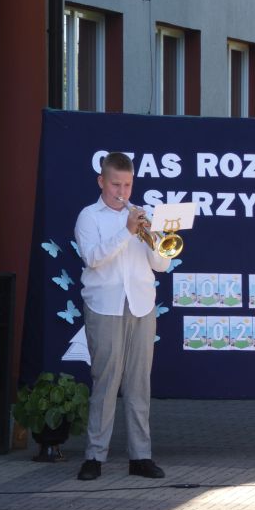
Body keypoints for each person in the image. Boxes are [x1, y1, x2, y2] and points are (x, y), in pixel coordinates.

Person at [74, 152, 170, 480]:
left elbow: (162, 265)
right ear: (101, 181)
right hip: (105, 306)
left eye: (127, 185)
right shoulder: (89, 217)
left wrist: (156, 239)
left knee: (139, 382)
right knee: (106, 381)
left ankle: (140, 456)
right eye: (116, 184)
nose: (122, 192)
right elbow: (93, 258)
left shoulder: (144, 215)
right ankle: (94, 456)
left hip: (141, 304)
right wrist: (127, 232)